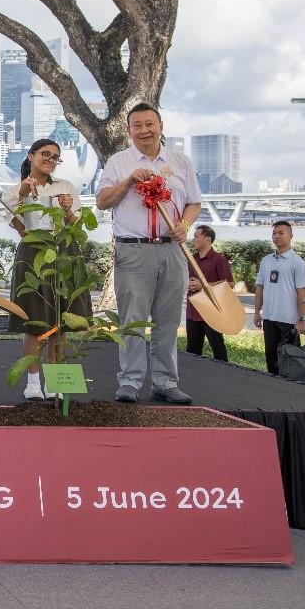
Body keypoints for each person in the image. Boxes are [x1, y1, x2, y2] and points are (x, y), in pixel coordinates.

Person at [95, 103, 201, 404]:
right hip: (134, 251)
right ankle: (129, 380)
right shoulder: (118, 162)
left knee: (167, 320)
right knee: (133, 320)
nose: (144, 130)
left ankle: (166, 382)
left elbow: (194, 203)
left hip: (172, 250)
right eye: (137, 125)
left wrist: (184, 224)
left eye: (149, 124)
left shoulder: (181, 162)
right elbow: (102, 201)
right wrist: (129, 181)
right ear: (129, 130)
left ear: (161, 126)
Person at [1, 138, 90, 400]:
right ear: (31, 156)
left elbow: (77, 226)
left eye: (55, 157)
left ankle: (55, 382)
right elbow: (19, 226)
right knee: (34, 320)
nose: (49, 160)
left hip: (64, 252)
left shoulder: (66, 187)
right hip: (33, 251)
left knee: (60, 321)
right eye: (44, 154)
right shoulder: (14, 191)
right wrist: (23, 195)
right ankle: (32, 382)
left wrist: (67, 209)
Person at [254, 221, 305, 376]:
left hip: (289, 321)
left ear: (291, 236)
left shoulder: (298, 264)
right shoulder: (266, 261)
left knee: (289, 361)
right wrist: (257, 312)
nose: (276, 236)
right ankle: (272, 391)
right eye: (274, 233)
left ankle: (289, 394)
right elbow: (260, 287)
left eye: (281, 233)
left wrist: (301, 319)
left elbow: (302, 294)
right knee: (271, 359)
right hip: (270, 318)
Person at [186, 225, 233, 362]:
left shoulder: (219, 260)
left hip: (211, 313)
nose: (193, 239)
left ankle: (225, 378)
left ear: (207, 239)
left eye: (196, 236)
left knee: (219, 352)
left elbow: (228, 285)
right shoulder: (191, 259)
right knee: (192, 352)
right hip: (192, 312)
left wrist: (202, 286)